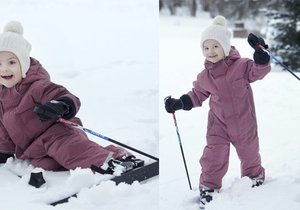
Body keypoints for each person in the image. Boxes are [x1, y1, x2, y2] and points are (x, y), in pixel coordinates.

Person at [0, 21, 143, 174]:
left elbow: (65, 96)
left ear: (24, 64)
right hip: (35, 148)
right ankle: (105, 155)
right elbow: (3, 130)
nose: (5, 68)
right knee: (48, 164)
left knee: (69, 152)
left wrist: (60, 104)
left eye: (12, 62)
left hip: (59, 133)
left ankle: (115, 161)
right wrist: (4, 152)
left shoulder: (37, 86)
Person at [164, 16, 270, 208]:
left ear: (226, 46)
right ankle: (209, 186)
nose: (210, 52)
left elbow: (257, 71)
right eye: (206, 47)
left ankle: (254, 176)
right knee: (214, 156)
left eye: (215, 46)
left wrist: (261, 60)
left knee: (249, 153)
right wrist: (180, 103)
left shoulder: (242, 66)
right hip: (218, 125)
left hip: (244, 122)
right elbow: (197, 94)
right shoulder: (205, 76)